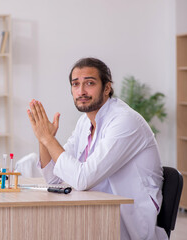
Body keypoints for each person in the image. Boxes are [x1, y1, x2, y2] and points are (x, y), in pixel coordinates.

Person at [27, 57, 167, 240]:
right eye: (75, 84)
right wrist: (44, 139)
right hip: (95, 214)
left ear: (107, 88)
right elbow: (53, 178)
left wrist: (48, 138)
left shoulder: (124, 121)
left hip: (125, 222)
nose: (81, 91)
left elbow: (82, 179)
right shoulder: (85, 122)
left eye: (90, 83)